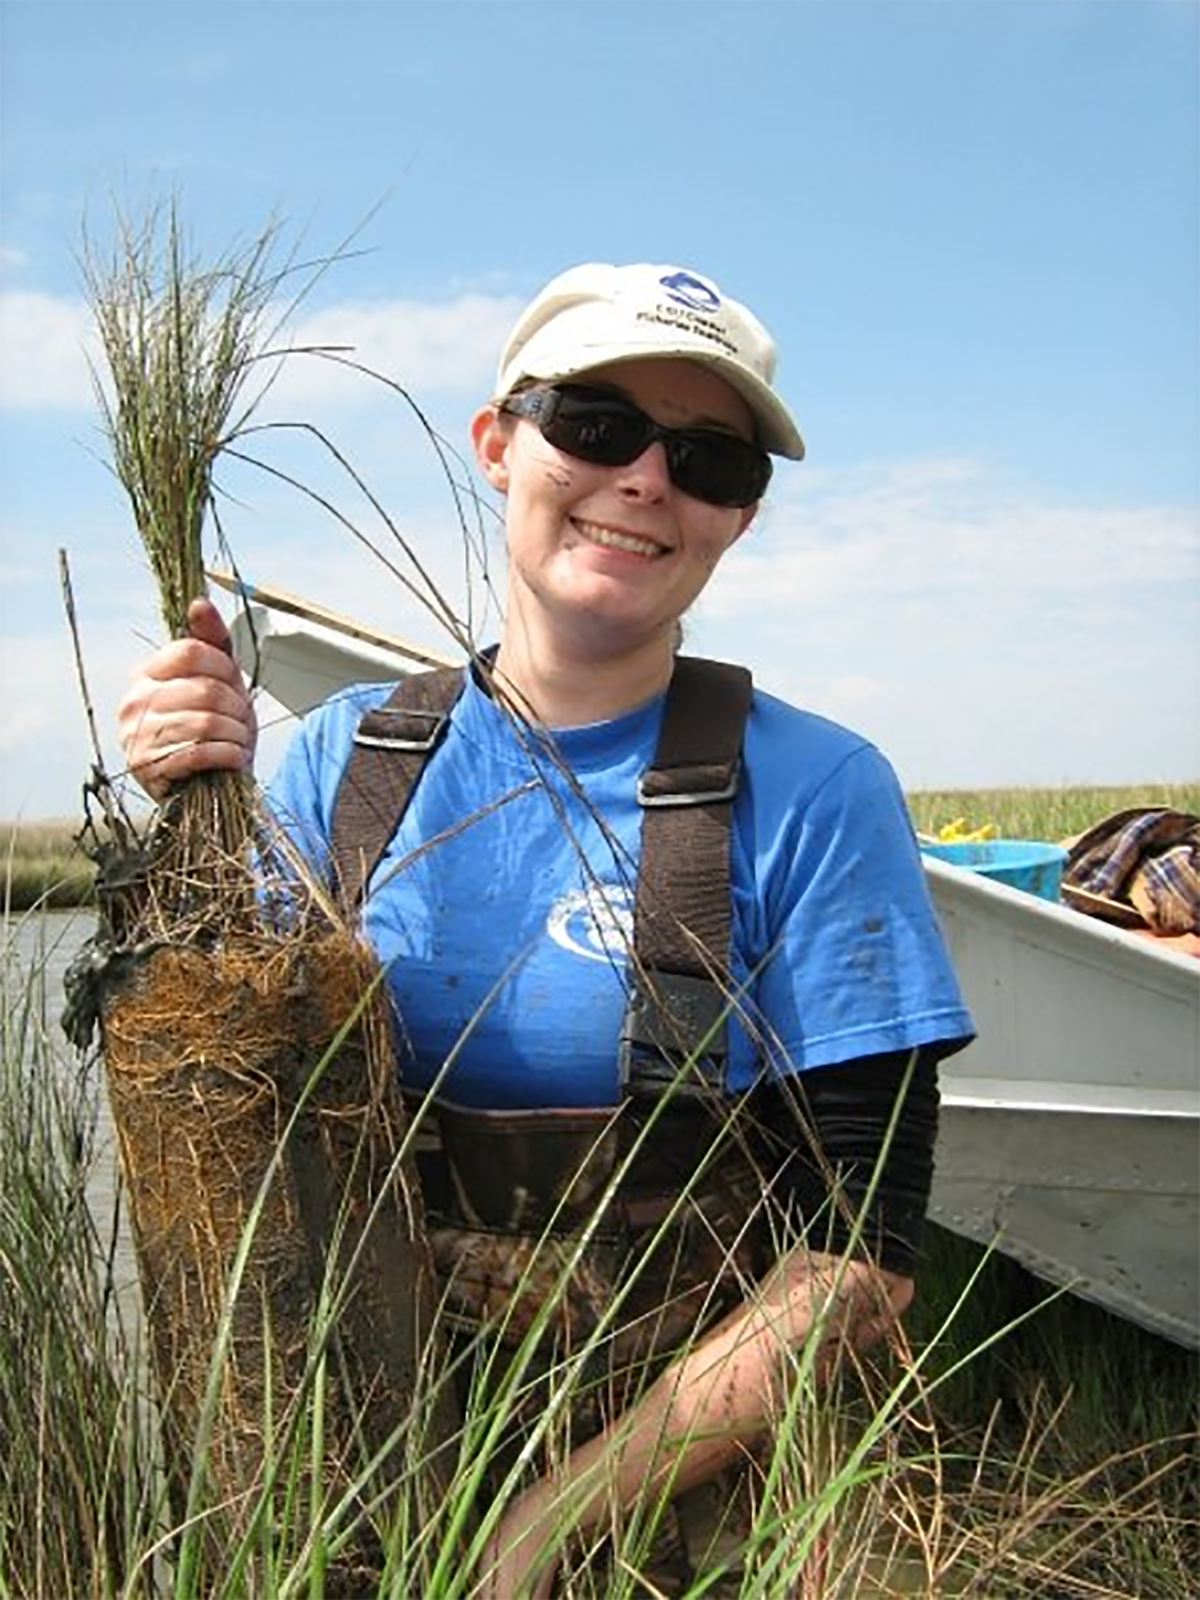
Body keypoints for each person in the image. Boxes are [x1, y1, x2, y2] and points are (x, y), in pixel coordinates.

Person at [118, 261, 975, 1596]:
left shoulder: (817, 790)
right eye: (597, 424)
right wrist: (184, 819)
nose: (645, 480)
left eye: (709, 459)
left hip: (709, 1496)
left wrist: (541, 1523)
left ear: (740, 517)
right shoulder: (341, 765)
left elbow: (857, 1264)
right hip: (375, 1469)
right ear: (497, 444)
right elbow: (232, 1128)